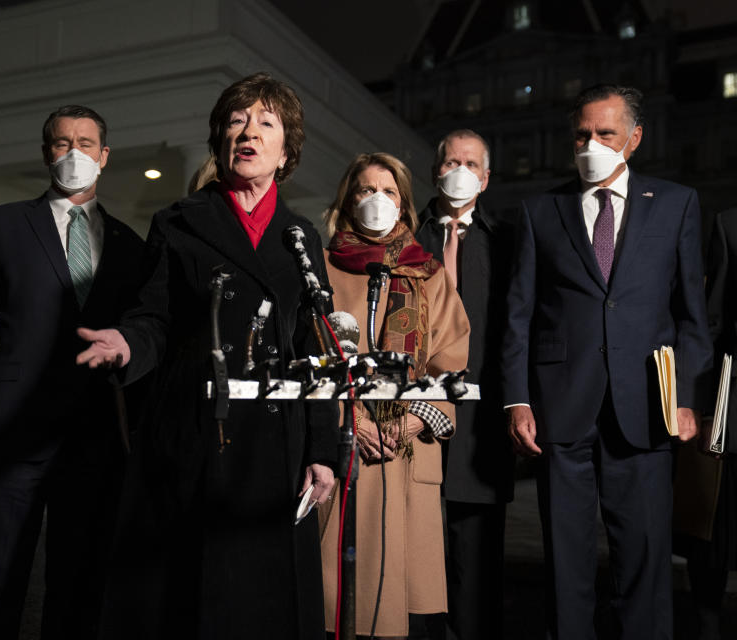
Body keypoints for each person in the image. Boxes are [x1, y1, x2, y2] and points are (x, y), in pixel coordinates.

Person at [77, 72, 338, 640]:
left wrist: (323, 449)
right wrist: (127, 343)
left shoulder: (301, 237)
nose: (247, 132)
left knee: (266, 598)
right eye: (235, 121)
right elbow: (154, 317)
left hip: (275, 443)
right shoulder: (178, 222)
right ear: (219, 140)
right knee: (188, 594)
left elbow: (315, 348)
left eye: (265, 123)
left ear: (286, 150)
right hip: (194, 433)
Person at [502, 84, 713, 639]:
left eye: (605, 133)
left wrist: (686, 397)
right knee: (565, 562)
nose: (590, 143)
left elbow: (692, 316)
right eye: (582, 134)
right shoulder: (537, 211)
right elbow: (519, 316)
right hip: (560, 407)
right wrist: (517, 399)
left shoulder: (677, 204)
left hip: (645, 406)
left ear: (635, 138)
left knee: (645, 561)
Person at [0, 105, 144, 639]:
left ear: (105, 156)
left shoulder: (131, 246)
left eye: (85, 142)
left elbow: (140, 340)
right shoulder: (3, 224)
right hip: (12, 431)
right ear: (45, 153)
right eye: (61, 143)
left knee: (79, 585)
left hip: (95, 437)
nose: (73, 153)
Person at [316, 152, 470, 638]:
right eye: (364, 190)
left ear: (404, 206)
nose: (376, 201)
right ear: (346, 201)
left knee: (398, 597)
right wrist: (353, 422)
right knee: (335, 596)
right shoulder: (318, 271)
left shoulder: (429, 275)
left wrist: (412, 420)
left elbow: (453, 361)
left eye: (388, 192)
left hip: (406, 448)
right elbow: (309, 354)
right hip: (342, 441)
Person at [413, 130, 515, 640]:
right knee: (417, 557)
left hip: (481, 426)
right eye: (451, 161)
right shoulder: (406, 237)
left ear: (487, 176)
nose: (461, 170)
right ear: (436, 170)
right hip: (416, 419)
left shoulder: (508, 242)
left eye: (472, 163)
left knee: (476, 567)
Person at [675, 207, 737, 640]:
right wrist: (696, 403)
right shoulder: (729, 223)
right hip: (731, 394)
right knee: (714, 520)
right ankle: (708, 621)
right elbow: (711, 322)